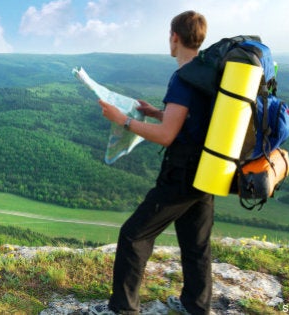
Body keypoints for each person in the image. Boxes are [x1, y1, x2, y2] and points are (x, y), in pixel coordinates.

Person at [91, 11, 213, 315]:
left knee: (134, 235)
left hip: (183, 173)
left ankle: (123, 309)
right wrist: (157, 112)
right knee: (196, 242)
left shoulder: (183, 78)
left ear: (174, 37)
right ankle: (196, 306)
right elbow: (191, 120)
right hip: (210, 168)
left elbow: (167, 136)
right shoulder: (207, 73)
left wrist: (124, 121)